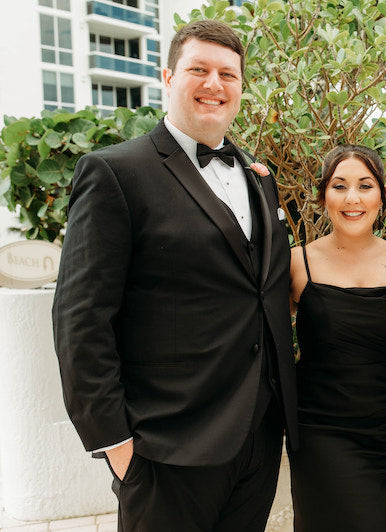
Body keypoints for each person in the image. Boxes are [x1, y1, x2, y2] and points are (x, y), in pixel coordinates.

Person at [52, 19, 297, 531]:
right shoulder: (115, 172)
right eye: (198, 70)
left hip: (257, 437)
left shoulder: (259, 177)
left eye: (228, 74)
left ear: (241, 86)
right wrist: (116, 445)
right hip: (165, 448)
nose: (214, 84)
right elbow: (81, 318)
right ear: (168, 77)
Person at [288, 145, 386, 531]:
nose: (352, 198)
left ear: (382, 196)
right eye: (339, 186)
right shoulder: (296, 263)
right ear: (323, 196)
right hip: (319, 430)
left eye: (365, 186)